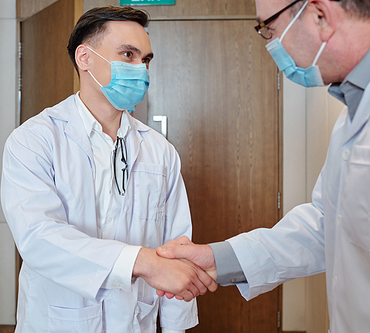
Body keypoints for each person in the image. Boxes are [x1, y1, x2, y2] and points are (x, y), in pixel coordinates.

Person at [156, 0, 370, 331]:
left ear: (319, 15)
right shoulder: (351, 112)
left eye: (268, 27)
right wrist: (218, 258)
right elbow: (326, 223)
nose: (271, 43)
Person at [1, 6, 217, 333]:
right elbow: (39, 238)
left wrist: (176, 328)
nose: (140, 69)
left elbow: (177, 250)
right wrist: (142, 262)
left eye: (145, 59)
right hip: (57, 321)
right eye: (127, 54)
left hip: (134, 322)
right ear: (85, 58)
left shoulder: (159, 151)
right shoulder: (35, 140)